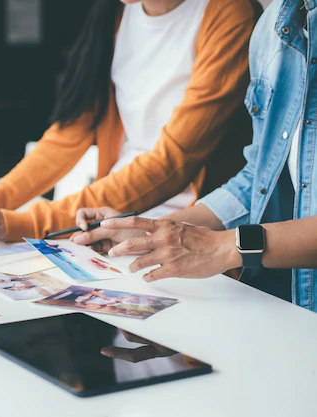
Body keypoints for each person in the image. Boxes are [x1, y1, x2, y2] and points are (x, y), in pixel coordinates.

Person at [0, 0, 261, 242]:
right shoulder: (118, 13)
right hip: (107, 219)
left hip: (179, 228)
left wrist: (20, 222)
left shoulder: (228, 14)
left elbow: (173, 162)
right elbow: (65, 137)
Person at [71, 0, 317, 312]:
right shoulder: (271, 29)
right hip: (290, 311)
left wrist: (227, 246)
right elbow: (259, 179)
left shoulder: (237, 17)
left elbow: (171, 160)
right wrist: (154, 229)